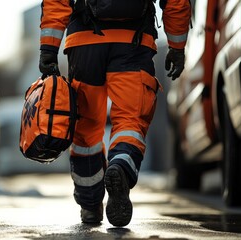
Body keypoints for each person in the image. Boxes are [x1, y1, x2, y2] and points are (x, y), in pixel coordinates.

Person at [38, 0, 191, 226]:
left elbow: (56, 2)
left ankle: (90, 205)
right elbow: (176, 2)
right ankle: (120, 166)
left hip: (84, 42)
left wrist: (48, 49)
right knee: (130, 121)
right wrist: (177, 46)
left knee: (86, 131)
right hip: (134, 42)